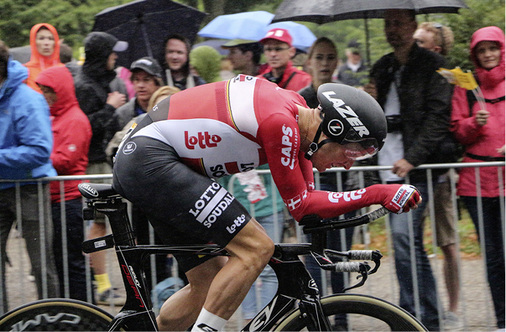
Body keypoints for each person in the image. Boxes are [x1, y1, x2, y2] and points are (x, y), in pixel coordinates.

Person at [112, 74, 422, 332]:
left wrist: (376, 197)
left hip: (155, 161)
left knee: (207, 282)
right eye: (352, 153)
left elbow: (306, 207)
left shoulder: (296, 116)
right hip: (151, 159)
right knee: (257, 247)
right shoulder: (281, 123)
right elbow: (303, 204)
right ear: (333, 131)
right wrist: (378, 193)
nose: (349, 166)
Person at [365, 9, 453, 331]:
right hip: (387, 163)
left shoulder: (434, 66)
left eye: (399, 23)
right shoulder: (382, 66)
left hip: (415, 169)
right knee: (407, 243)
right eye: (388, 24)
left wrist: (413, 158)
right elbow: (370, 122)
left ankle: (412, 318)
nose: (393, 30)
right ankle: (423, 318)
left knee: (404, 240)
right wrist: (368, 101)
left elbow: (438, 119)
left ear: (413, 26)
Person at [450, 26, 505, 331]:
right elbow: (457, 130)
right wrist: (474, 123)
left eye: (492, 48)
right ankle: (503, 318)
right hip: (476, 180)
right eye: (482, 50)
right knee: (494, 255)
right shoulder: (466, 87)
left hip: (505, 176)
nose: (488, 55)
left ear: (502, 49)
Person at [298, 37, 354, 330]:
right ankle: (319, 320)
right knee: (314, 256)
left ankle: (342, 320)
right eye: (319, 57)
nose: (324, 63)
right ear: (309, 61)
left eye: (330, 57)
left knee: (339, 256)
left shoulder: (347, 96)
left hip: (342, 184)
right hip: (312, 186)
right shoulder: (300, 98)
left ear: (337, 62)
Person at [0, 40, 60, 314]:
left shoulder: (29, 99)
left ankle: (52, 321)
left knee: (41, 263)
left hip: (30, 188)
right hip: (3, 184)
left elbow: (39, 152)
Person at [414, 21, 462, 330]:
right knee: (412, 241)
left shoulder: (450, 75)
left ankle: (454, 308)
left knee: (447, 241)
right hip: (416, 169)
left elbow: (452, 119)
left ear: (437, 49)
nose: (413, 46)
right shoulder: (408, 75)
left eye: (420, 43)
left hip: (441, 171)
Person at [74, 31, 128, 305]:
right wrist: (109, 108)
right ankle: (104, 286)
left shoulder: (105, 80)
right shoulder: (84, 85)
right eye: (111, 52)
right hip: (95, 163)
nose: (115, 56)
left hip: (108, 159)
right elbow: (84, 128)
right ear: (100, 55)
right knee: (98, 223)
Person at [35, 65, 92, 302]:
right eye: (43, 91)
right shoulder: (54, 117)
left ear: (62, 91)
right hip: (55, 200)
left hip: (68, 200)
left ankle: (84, 312)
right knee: (59, 260)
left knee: (71, 261)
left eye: (50, 91)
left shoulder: (75, 119)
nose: (46, 96)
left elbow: (66, 160)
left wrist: (34, 158)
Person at [24, 23, 62, 93]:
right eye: (41, 38)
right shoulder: (25, 71)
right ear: (33, 41)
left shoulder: (65, 70)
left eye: (50, 39)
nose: (46, 43)